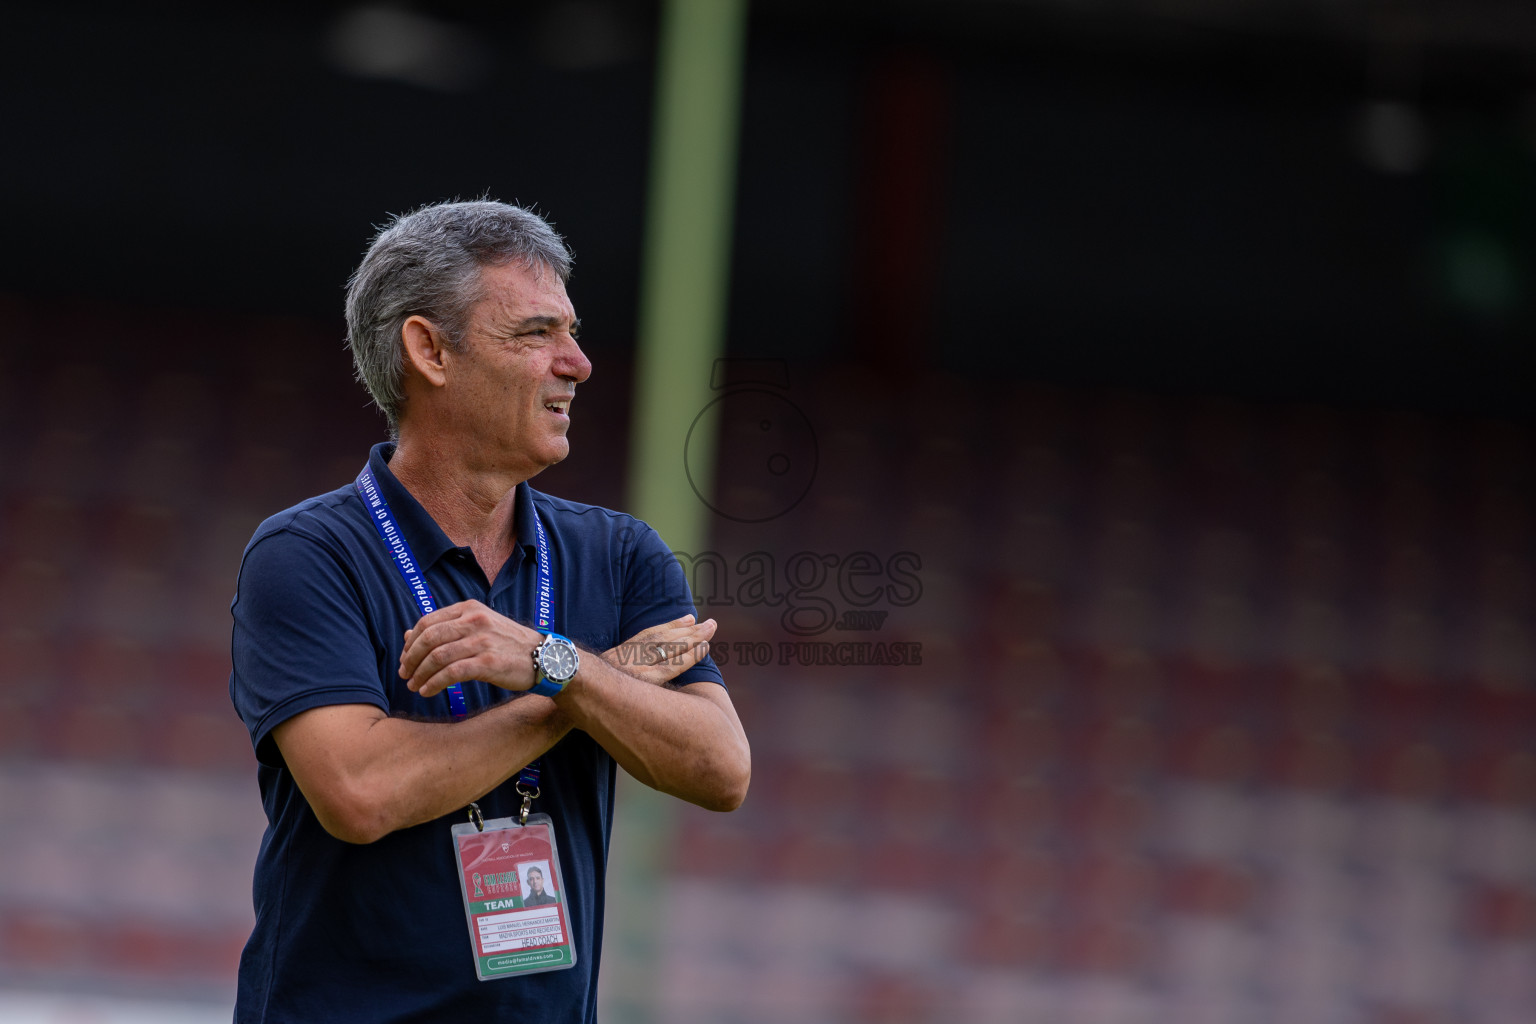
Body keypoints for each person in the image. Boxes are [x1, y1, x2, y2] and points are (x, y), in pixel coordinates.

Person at [229, 199, 750, 1023]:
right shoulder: (305, 554)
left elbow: (721, 768)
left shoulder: (620, 554)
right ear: (429, 350)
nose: (576, 362)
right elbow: (360, 793)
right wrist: (587, 687)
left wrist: (556, 662)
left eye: (571, 333)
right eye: (535, 333)